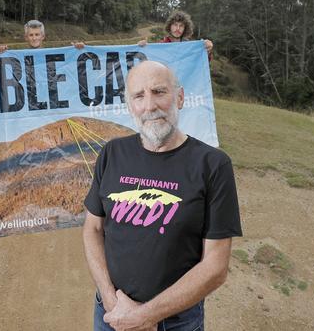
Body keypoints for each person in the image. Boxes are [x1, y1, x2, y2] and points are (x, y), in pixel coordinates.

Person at [82, 60, 242, 331]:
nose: (150, 105)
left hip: (175, 323)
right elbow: (92, 228)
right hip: (111, 314)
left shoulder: (212, 164)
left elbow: (216, 267)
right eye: (139, 96)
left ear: (179, 97)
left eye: (159, 92)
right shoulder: (112, 153)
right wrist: (112, 302)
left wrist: (145, 316)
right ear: (129, 105)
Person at [139, 10, 213, 62]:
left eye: (181, 26)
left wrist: (207, 50)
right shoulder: (161, 45)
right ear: (170, 26)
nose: (178, 29)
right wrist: (142, 49)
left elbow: (202, 62)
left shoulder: (189, 47)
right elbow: (149, 62)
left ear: (185, 29)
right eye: (175, 25)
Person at [0, 19, 85, 53]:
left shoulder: (53, 54)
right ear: (26, 37)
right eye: (31, 35)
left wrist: (79, 50)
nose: (34, 38)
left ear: (43, 36)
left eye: (37, 34)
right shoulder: (18, 55)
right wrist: (0, 53)